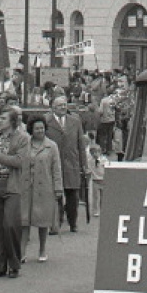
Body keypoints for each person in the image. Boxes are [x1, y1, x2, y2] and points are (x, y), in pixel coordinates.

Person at [0, 107, 28, 279]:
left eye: (3, 118)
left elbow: (19, 161)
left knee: (10, 225)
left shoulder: (22, 139)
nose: (0, 121)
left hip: (12, 186)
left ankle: (14, 263)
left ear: (12, 121)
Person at [19, 118, 62, 263]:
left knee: (43, 221)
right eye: (37, 128)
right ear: (32, 129)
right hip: (27, 189)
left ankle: (42, 250)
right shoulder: (25, 145)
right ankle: (22, 252)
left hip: (45, 189)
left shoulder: (52, 146)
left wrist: (58, 189)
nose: (40, 131)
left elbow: (56, 169)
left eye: (42, 128)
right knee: (24, 221)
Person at [44, 96, 89, 233]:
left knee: (73, 195)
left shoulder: (75, 121)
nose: (63, 107)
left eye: (64, 105)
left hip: (72, 163)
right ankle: (56, 223)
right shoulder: (47, 121)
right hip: (54, 164)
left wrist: (84, 165)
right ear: (53, 108)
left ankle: (73, 222)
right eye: (59, 105)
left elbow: (81, 145)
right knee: (55, 195)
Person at [87, 142, 108, 217]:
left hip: (103, 180)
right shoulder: (90, 161)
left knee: (103, 197)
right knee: (95, 197)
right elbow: (89, 169)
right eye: (92, 153)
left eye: (96, 152)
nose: (95, 154)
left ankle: (103, 209)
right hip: (95, 180)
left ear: (100, 152)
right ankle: (95, 211)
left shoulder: (104, 159)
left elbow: (107, 168)